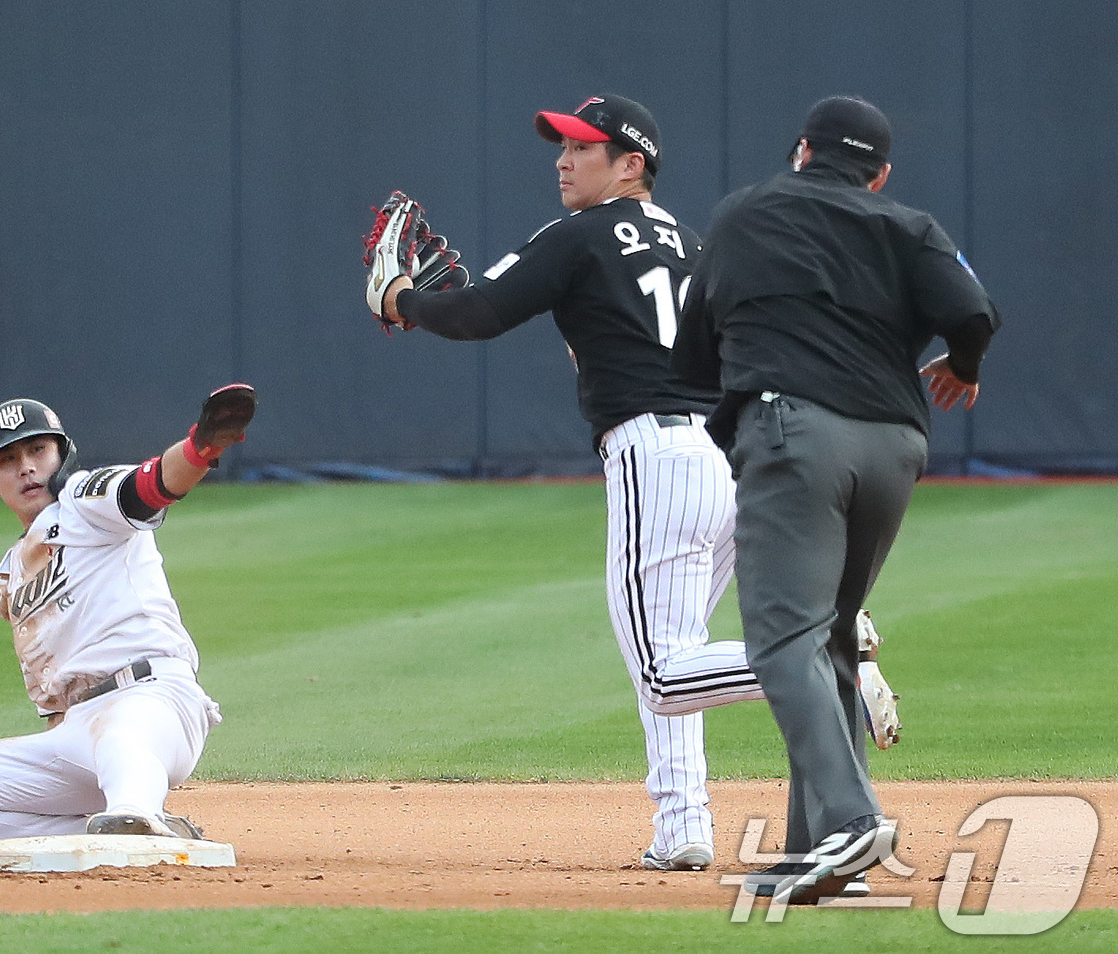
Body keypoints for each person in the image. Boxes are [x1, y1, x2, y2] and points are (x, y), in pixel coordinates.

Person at [370, 94, 777, 872]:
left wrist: (404, 301)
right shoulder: (693, 244)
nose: (562, 159)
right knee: (679, 650)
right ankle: (683, 827)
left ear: (632, 166)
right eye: (561, 144)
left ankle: (816, 653)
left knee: (662, 675)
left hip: (654, 461)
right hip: (726, 460)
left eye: (583, 148)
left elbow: (480, 313)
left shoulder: (581, 234)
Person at [672, 95, 1000, 903]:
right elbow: (975, 312)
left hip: (794, 436)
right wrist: (963, 365)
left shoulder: (742, 215)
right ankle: (818, 853)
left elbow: (690, 358)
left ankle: (852, 824)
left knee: (782, 641)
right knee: (830, 642)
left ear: (800, 152)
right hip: (895, 445)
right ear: (880, 173)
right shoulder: (908, 226)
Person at [0, 386, 255, 848]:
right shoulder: (15, 570)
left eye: (38, 449)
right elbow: (51, 695)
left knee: (121, 737)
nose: (26, 466)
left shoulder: (86, 501)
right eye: (8, 459)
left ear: (62, 454)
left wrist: (201, 447)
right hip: (76, 731)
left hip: (154, 700)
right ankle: (120, 829)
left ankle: (135, 811)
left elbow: (151, 485)